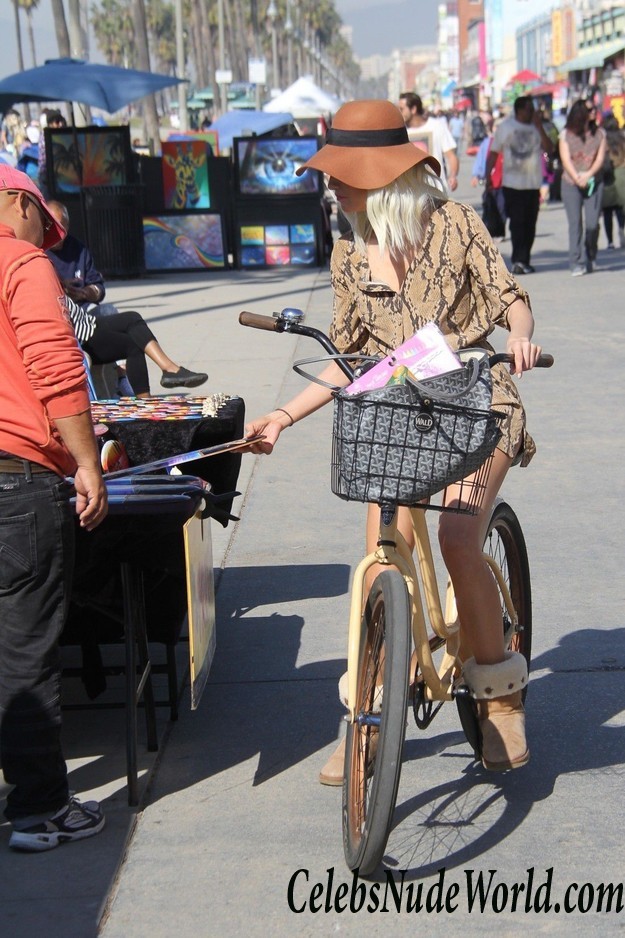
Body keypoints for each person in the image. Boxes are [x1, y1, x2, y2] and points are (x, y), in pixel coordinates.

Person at [244, 100, 543, 784]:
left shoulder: (456, 223)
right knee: (382, 557)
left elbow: (508, 299)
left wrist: (520, 335)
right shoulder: (348, 250)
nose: (333, 186)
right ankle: (369, 718)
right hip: (393, 415)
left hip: (475, 404)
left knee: (459, 536)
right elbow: (349, 356)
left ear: (384, 176)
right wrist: (282, 417)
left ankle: (499, 697)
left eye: (344, 174)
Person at [0, 165, 108, 851]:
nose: (48, 236)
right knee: (24, 648)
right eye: (44, 219)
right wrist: (90, 459)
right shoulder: (21, 259)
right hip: (17, 475)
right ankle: (39, 810)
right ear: (17, 202)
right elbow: (54, 362)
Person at [45, 200, 208, 395]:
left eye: (63, 227)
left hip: (84, 314)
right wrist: (62, 285)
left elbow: (98, 286)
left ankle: (170, 369)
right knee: (132, 342)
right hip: (76, 328)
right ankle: (135, 389)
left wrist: (87, 292)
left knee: (132, 317)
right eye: (54, 226)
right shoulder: (40, 254)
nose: (59, 233)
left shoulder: (77, 248)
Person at [486, 96, 555, 275]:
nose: (531, 113)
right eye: (528, 110)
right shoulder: (506, 127)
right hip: (512, 184)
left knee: (530, 223)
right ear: (518, 110)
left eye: (532, 110)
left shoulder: (536, 128)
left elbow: (550, 148)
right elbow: (493, 153)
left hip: (532, 184)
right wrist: (488, 177)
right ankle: (518, 260)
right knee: (517, 222)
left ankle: (525, 259)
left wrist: (539, 127)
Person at [558, 99, 607, 276]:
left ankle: (591, 254)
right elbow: (565, 159)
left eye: (594, 108)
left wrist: (588, 175)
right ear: (580, 113)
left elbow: (600, 159)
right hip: (571, 183)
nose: (594, 111)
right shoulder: (566, 134)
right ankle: (576, 261)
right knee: (575, 223)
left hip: (594, 182)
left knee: (593, 223)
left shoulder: (600, 134)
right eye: (590, 109)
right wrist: (577, 177)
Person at [397, 92, 459, 192]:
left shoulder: (436, 126)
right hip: (411, 194)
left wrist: (453, 176)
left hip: (437, 191)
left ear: (413, 109)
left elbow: (451, 155)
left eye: (402, 109)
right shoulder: (400, 132)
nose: (399, 112)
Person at [599, 113, 625, 250]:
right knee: (620, 210)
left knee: (608, 212)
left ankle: (610, 241)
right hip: (622, 176)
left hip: (607, 177)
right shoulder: (622, 137)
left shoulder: (603, 139)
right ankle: (622, 233)